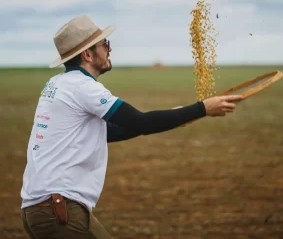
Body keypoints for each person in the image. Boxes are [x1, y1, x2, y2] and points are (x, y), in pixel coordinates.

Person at [20, 15, 242, 239]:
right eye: (104, 44)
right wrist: (202, 108)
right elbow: (140, 122)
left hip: (38, 210)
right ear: (87, 54)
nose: (109, 49)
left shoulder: (57, 84)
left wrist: (177, 116)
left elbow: (108, 132)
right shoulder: (83, 87)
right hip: (60, 211)